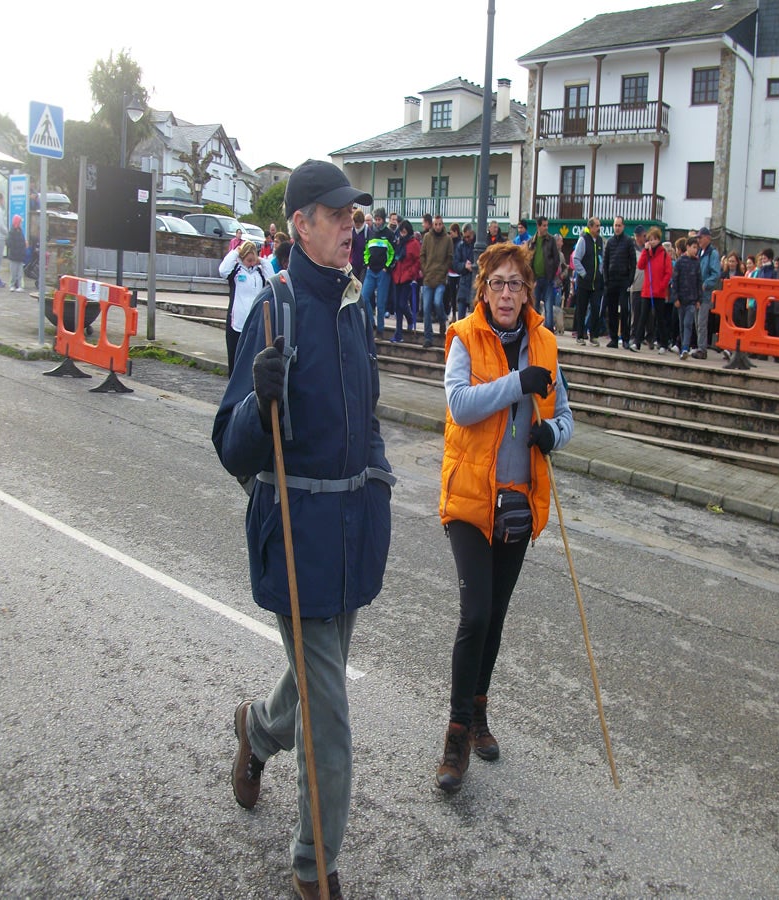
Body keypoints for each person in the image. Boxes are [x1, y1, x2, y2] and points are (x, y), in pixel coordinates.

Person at [212, 160, 394, 900]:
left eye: (353, 214)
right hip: (296, 537)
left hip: (351, 534)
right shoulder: (274, 309)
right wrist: (260, 401)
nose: (353, 225)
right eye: (338, 214)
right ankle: (313, 867)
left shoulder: (352, 305)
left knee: (310, 688)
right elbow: (232, 447)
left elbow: (371, 415)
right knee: (331, 722)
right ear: (302, 225)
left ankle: (256, 729)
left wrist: (379, 478)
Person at [435, 241, 574, 793]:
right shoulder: (464, 338)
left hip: (517, 501)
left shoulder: (545, 344)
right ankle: (454, 735)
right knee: (475, 615)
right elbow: (461, 405)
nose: (508, 293)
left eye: (516, 283)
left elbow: (565, 416)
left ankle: (478, 713)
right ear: (483, 290)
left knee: (494, 616)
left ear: (527, 291)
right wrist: (519, 383)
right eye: (498, 283)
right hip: (470, 502)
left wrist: (550, 434)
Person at [218, 239, 272, 375]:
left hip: (253, 323)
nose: (251, 263)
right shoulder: (236, 271)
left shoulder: (259, 273)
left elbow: (272, 277)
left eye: (253, 260)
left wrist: (262, 261)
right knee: (234, 360)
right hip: (236, 323)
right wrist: (236, 252)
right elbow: (223, 270)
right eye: (248, 260)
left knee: (252, 361)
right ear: (242, 258)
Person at [636, 227, 673, 353]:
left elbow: (668, 273)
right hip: (647, 291)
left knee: (660, 318)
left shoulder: (664, 255)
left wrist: (662, 286)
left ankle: (663, 343)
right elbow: (640, 265)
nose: (652, 242)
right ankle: (637, 342)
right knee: (643, 317)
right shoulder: (648, 254)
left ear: (659, 240)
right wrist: (645, 252)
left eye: (655, 239)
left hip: (659, 292)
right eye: (650, 239)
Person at [361, 207, 395, 337]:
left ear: (383, 219)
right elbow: (366, 251)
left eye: (379, 219)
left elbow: (392, 253)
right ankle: (371, 322)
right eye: (375, 219)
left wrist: (387, 266)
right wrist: (367, 263)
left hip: (383, 272)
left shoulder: (389, 234)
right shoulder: (370, 233)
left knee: (381, 302)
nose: (377, 222)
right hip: (371, 271)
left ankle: (380, 329)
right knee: (364, 297)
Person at [420, 214, 453, 348]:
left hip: (440, 277)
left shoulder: (448, 239)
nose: (438, 226)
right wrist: (425, 269)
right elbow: (422, 255)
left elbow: (449, 257)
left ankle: (442, 320)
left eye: (440, 224)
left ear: (442, 224)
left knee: (438, 302)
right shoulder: (427, 237)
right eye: (436, 224)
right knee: (426, 308)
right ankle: (428, 337)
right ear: (433, 225)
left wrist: (444, 270)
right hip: (428, 277)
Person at [602, 215, 636, 348]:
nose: (617, 228)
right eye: (615, 225)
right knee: (611, 311)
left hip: (624, 281)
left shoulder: (628, 242)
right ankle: (614, 338)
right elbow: (605, 263)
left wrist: (630, 280)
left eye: (619, 225)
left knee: (625, 310)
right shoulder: (609, 242)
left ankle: (626, 338)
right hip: (611, 281)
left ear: (623, 226)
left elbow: (633, 262)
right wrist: (606, 280)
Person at [572, 217, 605, 345]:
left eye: (599, 226)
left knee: (596, 308)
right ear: (590, 227)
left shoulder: (601, 241)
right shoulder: (583, 240)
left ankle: (594, 336)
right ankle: (580, 335)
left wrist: (600, 272)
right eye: (596, 226)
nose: (598, 228)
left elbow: (602, 258)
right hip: (584, 282)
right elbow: (576, 259)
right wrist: (584, 274)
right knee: (581, 308)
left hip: (596, 282)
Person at [672, 236, 703, 359]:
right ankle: (682, 346)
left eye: (697, 248)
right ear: (688, 247)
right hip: (681, 298)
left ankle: (685, 347)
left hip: (692, 299)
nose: (695, 250)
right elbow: (675, 280)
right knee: (682, 325)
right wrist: (675, 298)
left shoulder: (696, 263)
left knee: (688, 323)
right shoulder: (680, 262)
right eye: (694, 247)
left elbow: (699, 282)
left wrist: (699, 299)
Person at [527, 216, 561, 331]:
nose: (546, 228)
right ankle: (534, 328)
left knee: (548, 305)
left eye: (547, 225)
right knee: (534, 305)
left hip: (547, 278)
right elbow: (528, 260)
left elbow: (556, 259)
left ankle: (549, 329)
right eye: (544, 225)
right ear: (538, 226)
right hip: (536, 278)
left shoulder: (551, 240)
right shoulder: (532, 241)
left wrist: (551, 275)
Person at [390, 220, 420, 343]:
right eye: (401, 232)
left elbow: (418, 261)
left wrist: (412, 273)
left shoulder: (414, 244)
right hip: (397, 276)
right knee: (398, 306)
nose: (402, 234)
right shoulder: (399, 243)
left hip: (407, 278)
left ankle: (409, 319)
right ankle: (398, 333)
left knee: (402, 304)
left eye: (404, 232)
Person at [695, 226, 720, 358]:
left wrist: (706, 284)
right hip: (697, 293)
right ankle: (699, 346)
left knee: (702, 322)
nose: (698, 240)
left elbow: (715, 274)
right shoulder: (700, 252)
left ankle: (702, 348)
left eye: (700, 237)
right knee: (697, 321)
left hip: (705, 294)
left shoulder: (712, 253)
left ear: (707, 238)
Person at [628, 226, 647, 349]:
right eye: (638, 236)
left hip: (646, 286)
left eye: (642, 236)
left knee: (646, 313)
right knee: (635, 312)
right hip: (635, 284)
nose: (640, 238)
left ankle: (644, 336)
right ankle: (633, 335)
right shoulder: (632, 249)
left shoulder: (648, 249)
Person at [453, 223, 477, 320]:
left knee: (474, 316)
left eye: (468, 236)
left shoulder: (478, 244)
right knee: (461, 316)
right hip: (464, 282)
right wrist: (464, 266)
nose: (467, 239)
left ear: (472, 233)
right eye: (465, 236)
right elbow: (455, 264)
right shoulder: (460, 246)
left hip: (475, 283)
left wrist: (475, 267)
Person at [6, 214, 27, 292]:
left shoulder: (20, 231)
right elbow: (9, 243)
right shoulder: (12, 232)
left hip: (19, 256)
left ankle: (19, 285)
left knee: (20, 272)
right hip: (14, 256)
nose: (21, 224)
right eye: (20, 222)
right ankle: (12, 285)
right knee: (13, 272)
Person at [350, 209, 370, 282]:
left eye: (359, 224)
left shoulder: (367, 231)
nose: (357, 226)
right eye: (356, 223)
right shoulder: (352, 231)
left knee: (362, 285)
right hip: (354, 263)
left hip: (363, 265)